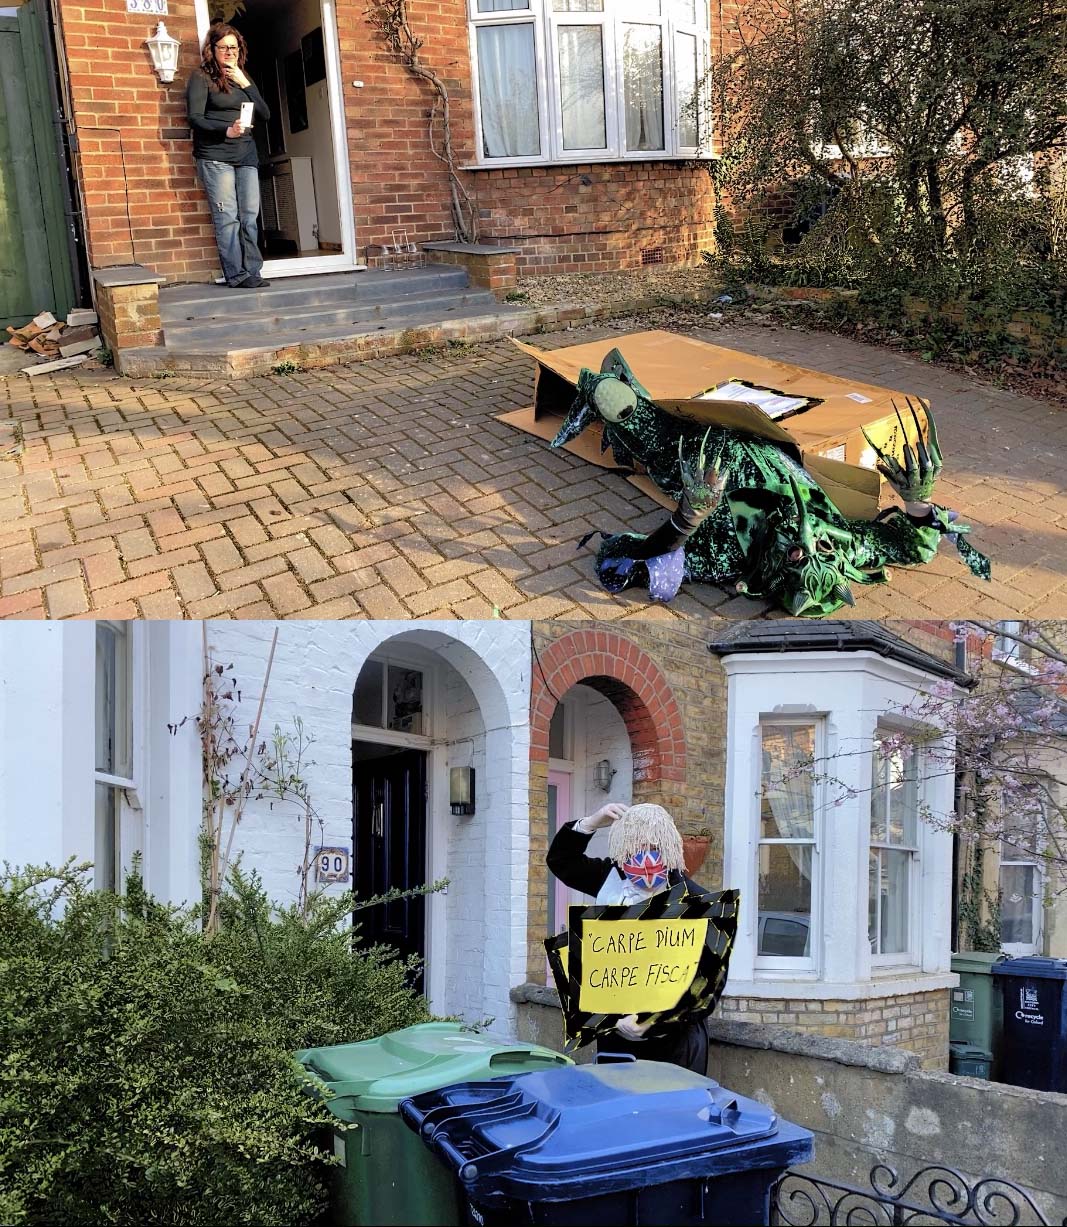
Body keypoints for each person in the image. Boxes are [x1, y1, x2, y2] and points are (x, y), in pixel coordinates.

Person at [546, 801, 714, 1074]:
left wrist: (653, 1020)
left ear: (670, 846)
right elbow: (561, 861)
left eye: (654, 847)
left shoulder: (696, 900)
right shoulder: (608, 880)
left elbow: (707, 980)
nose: (645, 857)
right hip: (616, 1036)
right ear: (622, 849)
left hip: (675, 1042)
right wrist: (592, 821)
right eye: (636, 847)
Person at [186, 24, 271, 289]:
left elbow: (266, 114)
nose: (229, 52)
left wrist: (247, 84)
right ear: (212, 49)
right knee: (228, 218)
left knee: (249, 216)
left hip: (246, 155)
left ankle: (253, 271)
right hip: (216, 156)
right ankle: (237, 275)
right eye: (223, 47)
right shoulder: (201, 77)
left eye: (233, 47)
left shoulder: (243, 78)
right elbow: (195, 118)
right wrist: (227, 130)